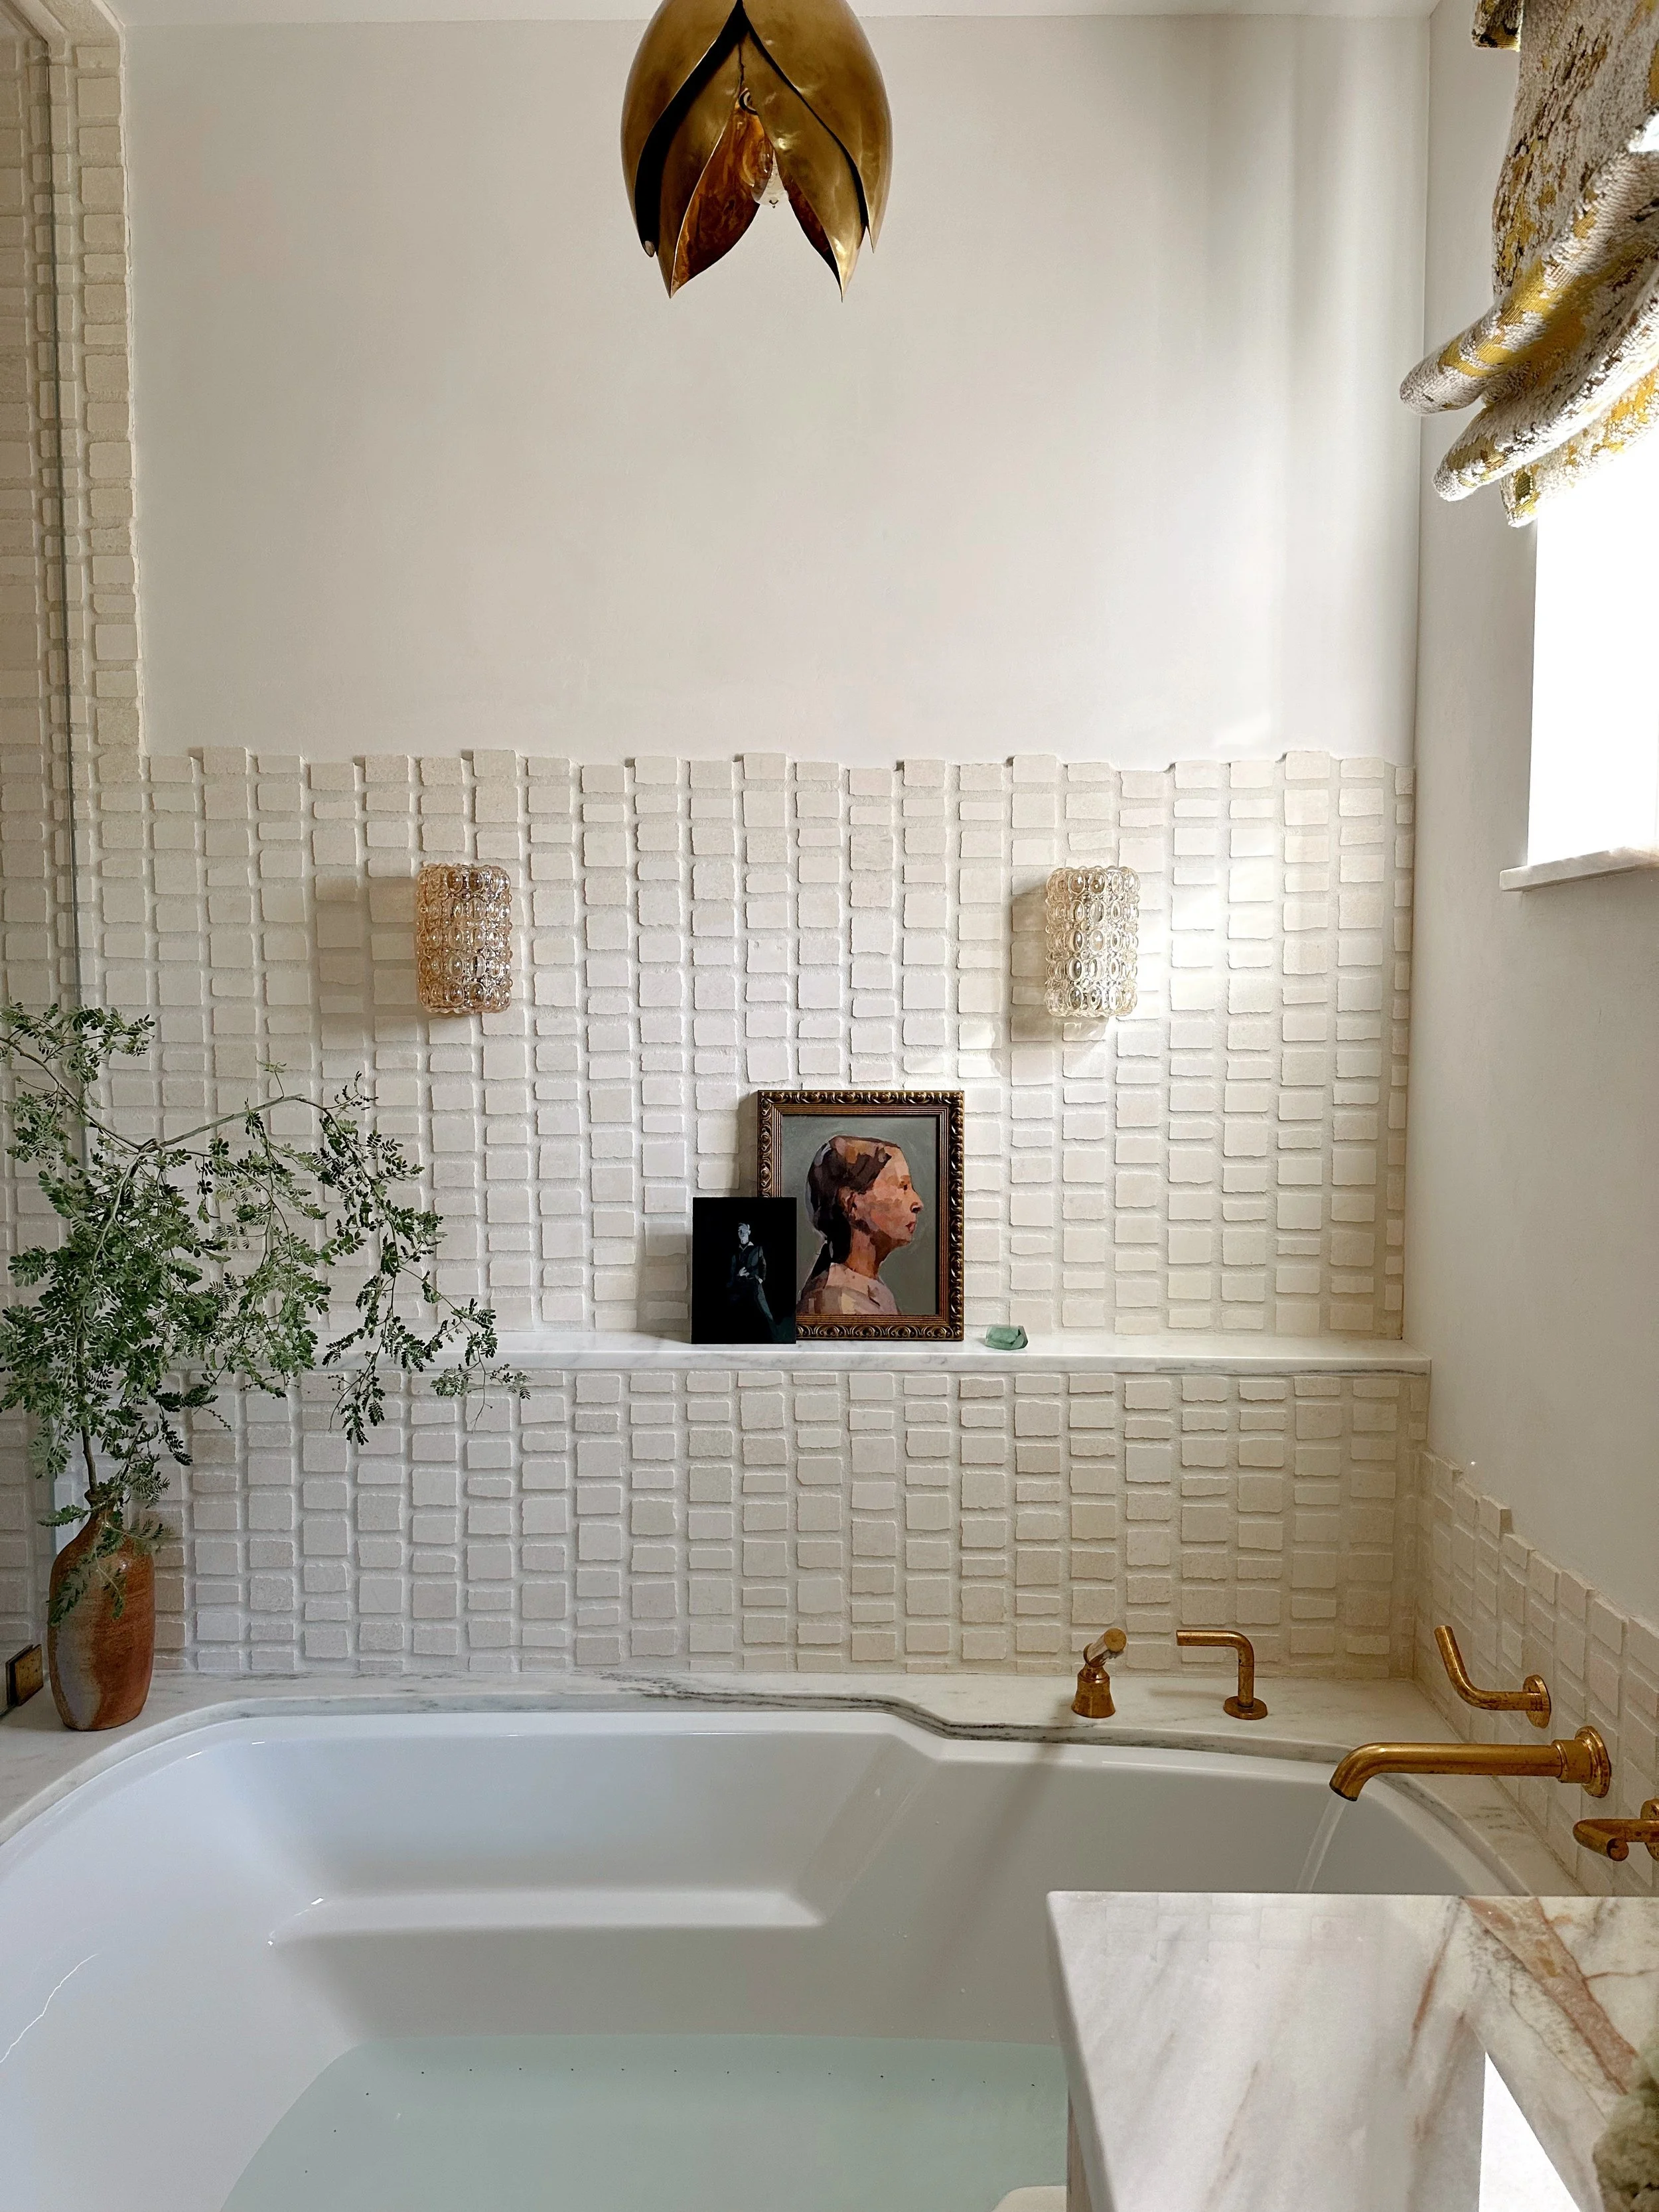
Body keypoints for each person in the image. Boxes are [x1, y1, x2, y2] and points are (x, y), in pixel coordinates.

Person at [796, 1136, 923, 1319]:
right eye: (903, 1187)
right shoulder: (837, 1304)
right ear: (853, 1204)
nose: (918, 1203)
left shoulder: (869, 1290)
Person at [726, 1218, 783, 1342]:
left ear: (749, 1232)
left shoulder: (757, 1249)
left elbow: (763, 1265)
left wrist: (761, 1279)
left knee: (765, 1311)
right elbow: (731, 1273)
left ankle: (776, 1337)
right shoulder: (735, 1253)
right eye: (739, 1231)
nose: (742, 1233)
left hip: (755, 1286)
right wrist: (738, 1275)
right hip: (740, 1287)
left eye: (744, 1231)